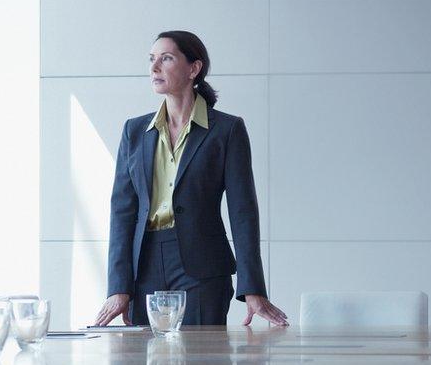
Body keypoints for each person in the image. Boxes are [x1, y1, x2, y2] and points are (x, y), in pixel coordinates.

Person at [94, 30, 288, 327]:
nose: (154, 67)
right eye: (152, 59)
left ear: (193, 69)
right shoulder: (134, 132)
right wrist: (119, 287)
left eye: (166, 58)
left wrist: (253, 289)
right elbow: (122, 212)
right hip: (143, 266)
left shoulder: (226, 130)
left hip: (203, 270)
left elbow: (243, 212)